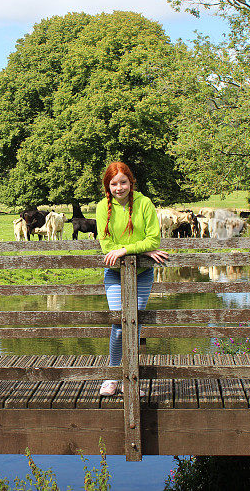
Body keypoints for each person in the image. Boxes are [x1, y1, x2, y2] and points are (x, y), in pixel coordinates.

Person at [95, 161, 169, 396]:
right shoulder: (101, 207)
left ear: (131, 182)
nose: (119, 188)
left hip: (142, 272)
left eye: (123, 182)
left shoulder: (144, 203)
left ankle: (130, 375)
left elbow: (154, 240)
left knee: (134, 322)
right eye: (114, 183)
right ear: (108, 185)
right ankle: (113, 374)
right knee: (119, 325)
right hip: (115, 273)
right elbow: (107, 246)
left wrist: (126, 250)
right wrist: (139, 249)